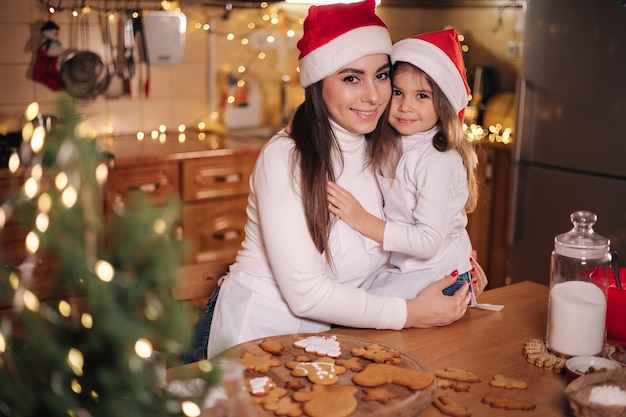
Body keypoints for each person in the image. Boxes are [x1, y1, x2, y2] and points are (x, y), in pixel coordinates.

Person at [184, 0, 486, 363]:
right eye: (350, 78)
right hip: (255, 338)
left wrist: (455, 269)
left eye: (381, 75)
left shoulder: (383, 146)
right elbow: (306, 295)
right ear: (318, 82)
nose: (373, 95)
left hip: (331, 343)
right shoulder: (288, 158)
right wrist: (410, 312)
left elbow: (409, 231)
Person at [326, 28, 479, 299]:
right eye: (398, 92)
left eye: (422, 96)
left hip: (436, 276)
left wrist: (361, 220)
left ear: (443, 104)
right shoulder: (391, 142)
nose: (405, 106)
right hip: (407, 269)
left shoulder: (436, 160)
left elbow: (429, 242)